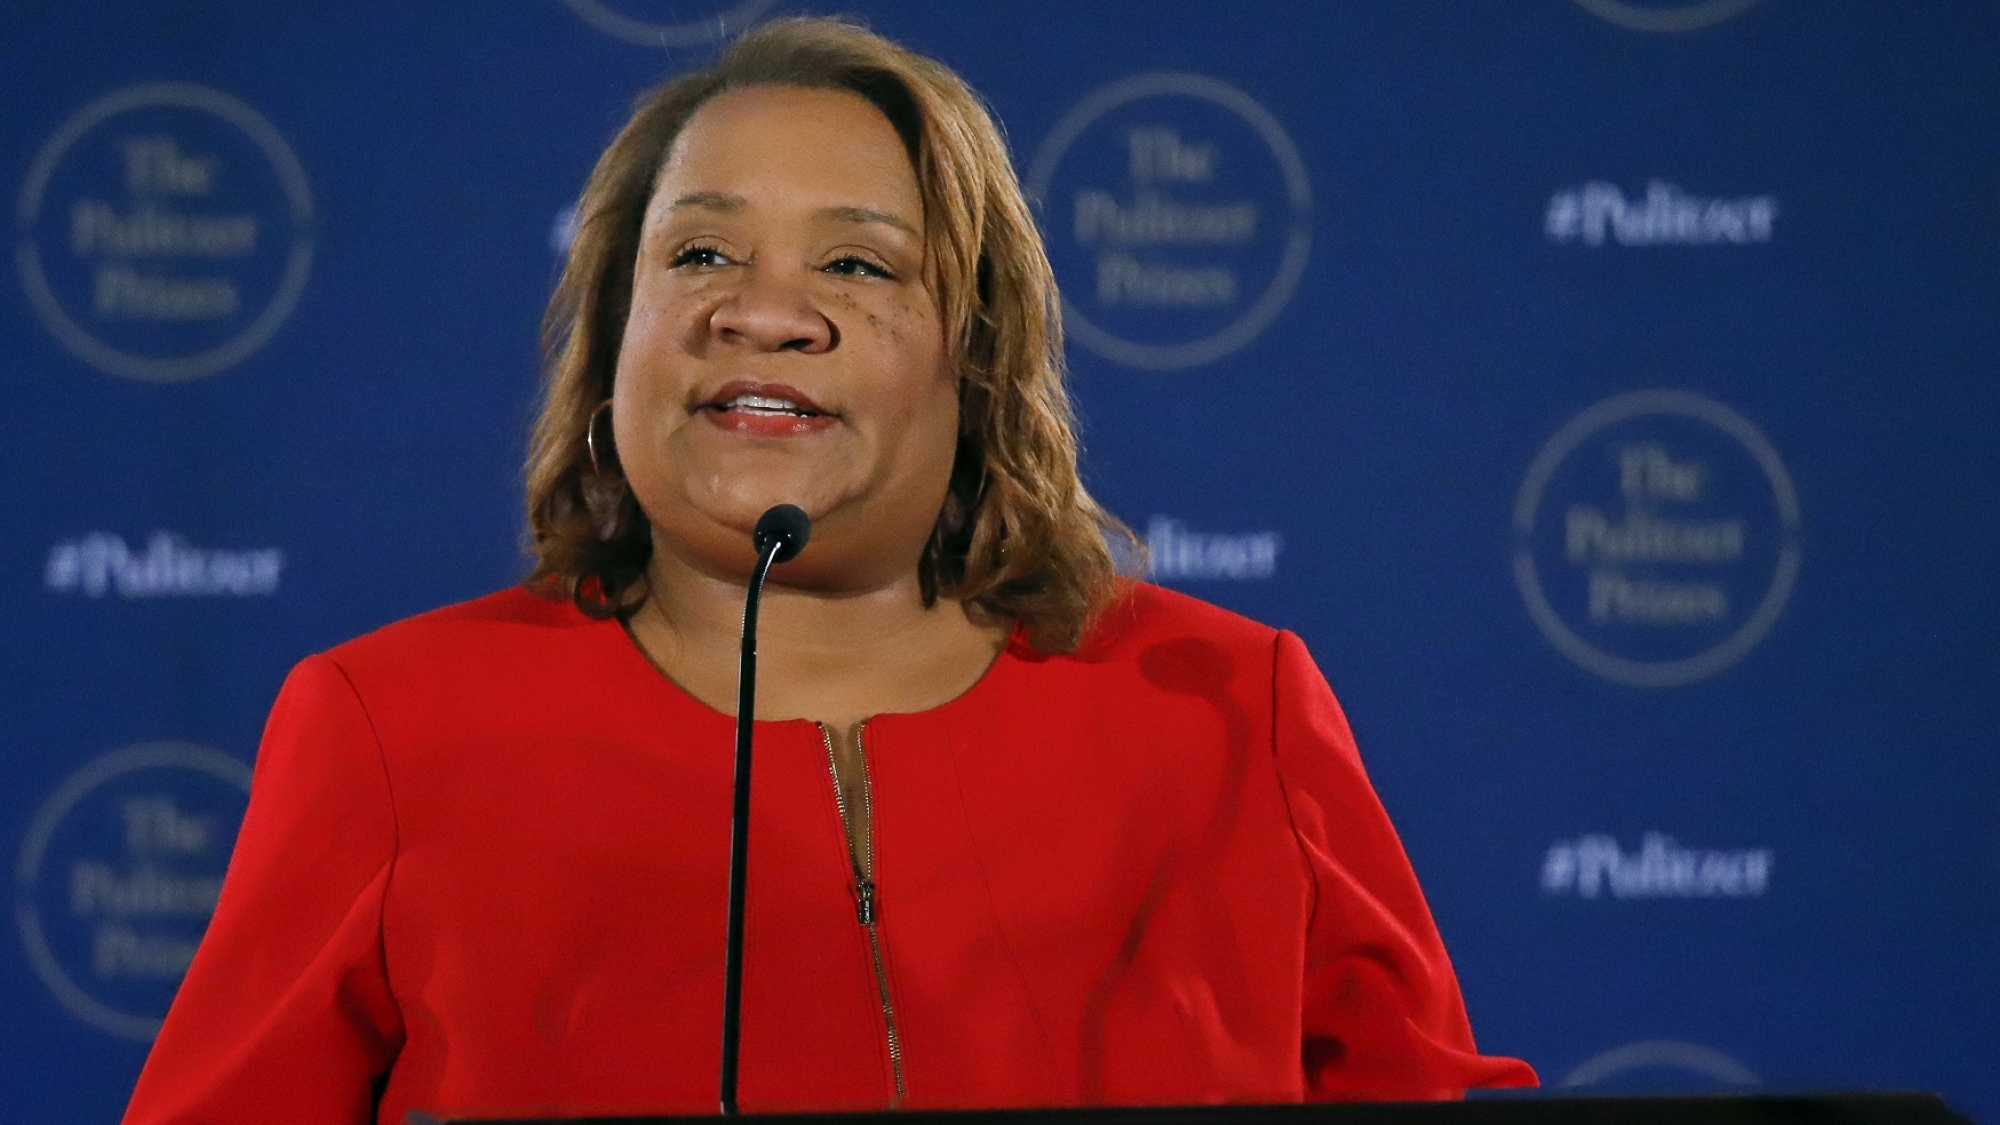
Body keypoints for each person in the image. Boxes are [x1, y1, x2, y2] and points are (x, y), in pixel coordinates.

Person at [124, 17, 1535, 1124]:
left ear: (976, 356)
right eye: (700, 252)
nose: (764, 311)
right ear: (615, 337)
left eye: (857, 266)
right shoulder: (390, 726)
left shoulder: (1233, 708)